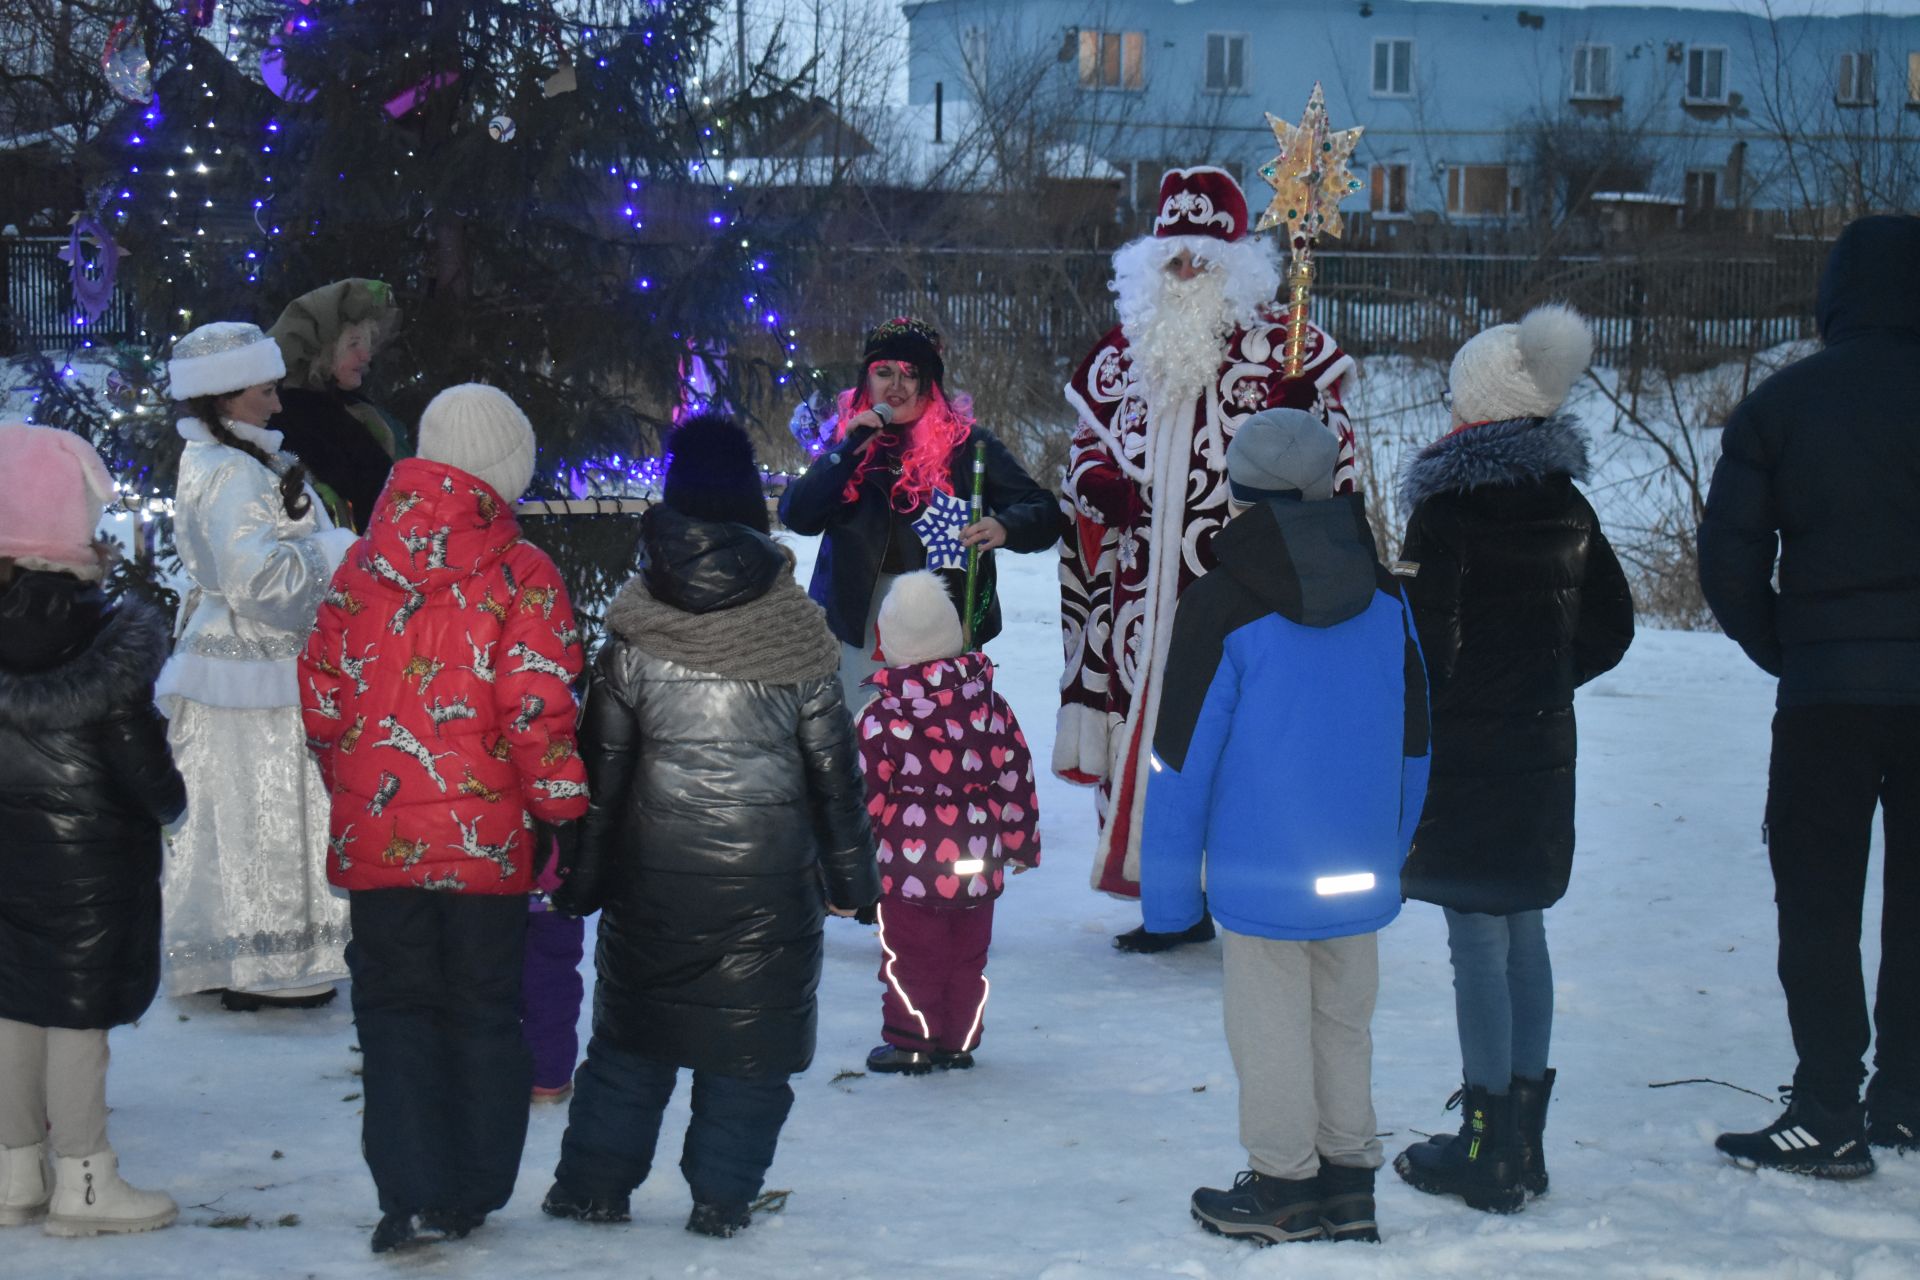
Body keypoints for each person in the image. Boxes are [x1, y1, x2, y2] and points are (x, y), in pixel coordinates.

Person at [544, 417, 878, 1239]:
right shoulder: (797, 625)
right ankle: (722, 1199)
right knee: (750, 1051)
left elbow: (603, 771)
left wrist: (582, 880)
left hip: (651, 876)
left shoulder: (634, 625)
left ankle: (593, 1187)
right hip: (769, 882)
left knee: (632, 1040)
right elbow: (834, 771)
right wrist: (852, 883)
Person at [300, 382, 589, 1253]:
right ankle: (468, 1187)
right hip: (482, 849)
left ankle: (408, 1192)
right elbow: (535, 707)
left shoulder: (360, 564)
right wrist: (565, 812)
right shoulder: (521, 573)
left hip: (377, 842)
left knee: (392, 1014)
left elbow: (321, 697)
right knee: (481, 1007)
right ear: (506, 471)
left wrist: (355, 783)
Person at [1141, 408, 1430, 1246]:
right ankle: (1349, 1185)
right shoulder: (1385, 594)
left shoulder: (1223, 602)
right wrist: (1395, 846)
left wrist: (1169, 899)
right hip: (1358, 867)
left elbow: (1180, 760)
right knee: (1344, 1021)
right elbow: (1415, 738)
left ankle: (1283, 1187)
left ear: (1235, 489)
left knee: (1269, 1026)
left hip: (1263, 872)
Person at [1057, 165, 1360, 951]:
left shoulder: (1285, 357)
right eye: (1174, 262)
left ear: (1235, 267)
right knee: (1154, 743)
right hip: (1138, 606)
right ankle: (1167, 901)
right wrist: (1097, 483)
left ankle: (1242, 895)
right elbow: (1086, 446)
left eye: (1202, 261)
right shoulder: (1124, 355)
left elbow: (1341, 475)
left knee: (1235, 743)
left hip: (1237, 595)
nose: (1186, 276)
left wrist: (1301, 430)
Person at [1390, 305, 1634, 1214]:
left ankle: (1486, 1143)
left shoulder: (1448, 512)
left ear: (1478, 406)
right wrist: (1547, 678)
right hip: (1541, 744)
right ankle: (1523, 1141)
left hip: (1467, 750)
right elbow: (1612, 626)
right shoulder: (1570, 504)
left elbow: (1427, 647)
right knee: (1523, 927)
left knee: (1473, 939)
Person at [1699, 214, 1920, 1176]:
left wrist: (1786, 647)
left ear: (1834, 295)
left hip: (1826, 692)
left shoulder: (1783, 406)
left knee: (1819, 898)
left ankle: (1828, 1102)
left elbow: (1729, 561)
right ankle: (1908, 1099)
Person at [0, 424, 186, 1237]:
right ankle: (82, 1180)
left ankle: (11, 1172)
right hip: (88, 861)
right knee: (76, 1013)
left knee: (10, 1002)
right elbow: (145, 774)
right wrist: (170, 801)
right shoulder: (103, 636)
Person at [157, 322, 359, 1009]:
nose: (278, 405)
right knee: (269, 814)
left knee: (242, 815)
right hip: (254, 674)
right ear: (223, 397)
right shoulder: (233, 472)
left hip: (240, 666)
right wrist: (334, 554)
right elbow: (259, 581)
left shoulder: (228, 460)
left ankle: (250, 958)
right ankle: (274, 965)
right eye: (265, 391)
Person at [777, 317, 1062, 699]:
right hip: (859, 616)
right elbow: (797, 516)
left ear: (930, 384)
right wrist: (846, 454)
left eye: (910, 374)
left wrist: (1005, 526)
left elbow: (1043, 510)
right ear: (867, 379)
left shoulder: (969, 445)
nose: (895, 386)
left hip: (943, 618)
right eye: (884, 372)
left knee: (937, 744)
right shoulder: (848, 439)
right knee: (865, 734)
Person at [854, 571, 1040, 1076]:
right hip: (976, 863)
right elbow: (1013, 776)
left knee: (910, 955)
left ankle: (912, 1040)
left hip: (908, 868)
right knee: (967, 955)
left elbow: (864, 797)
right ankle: (958, 1040)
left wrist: (849, 861)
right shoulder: (989, 707)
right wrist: (1021, 844)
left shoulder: (882, 716)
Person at [268, 277, 407, 533]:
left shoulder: (350, 405)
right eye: (353, 344)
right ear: (322, 351)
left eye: (366, 344)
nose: (365, 355)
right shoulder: (300, 416)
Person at [524, 828, 587, 1105]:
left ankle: (483, 1070)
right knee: (552, 985)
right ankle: (548, 1080)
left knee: (483, 981)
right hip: (554, 879)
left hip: (486, 880)